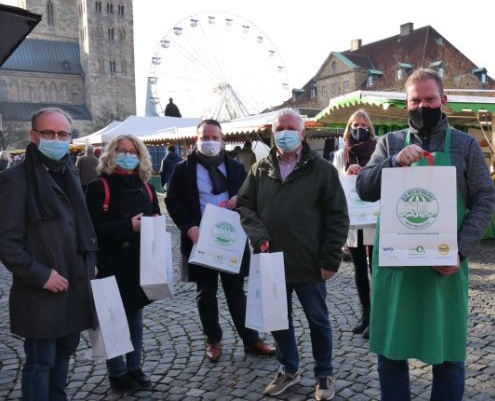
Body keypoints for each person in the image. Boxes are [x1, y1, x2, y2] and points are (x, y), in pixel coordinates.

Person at [356, 68, 495, 401]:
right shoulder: (389, 143)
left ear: (443, 100)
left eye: (429, 99)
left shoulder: (465, 146)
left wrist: (459, 251)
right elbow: (364, 187)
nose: (423, 106)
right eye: (415, 100)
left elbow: (485, 199)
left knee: (447, 354)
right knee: (391, 353)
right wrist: (392, 163)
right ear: (406, 104)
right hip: (396, 268)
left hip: (443, 268)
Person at [237, 108, 349, 400]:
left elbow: (338, 216)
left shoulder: (323, 170)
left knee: (318, 320)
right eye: (279, 128)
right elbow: (245, 205)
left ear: (302, 133)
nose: (284, 133)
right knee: (277, 319)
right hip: (271, 261)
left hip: (310, 262)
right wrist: (258, 235)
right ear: (272, 133)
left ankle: (324, 374)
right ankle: (289, 369)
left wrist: (330, 259)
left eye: (290, 128)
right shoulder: (260, 168)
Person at [0, 107, 98, 401]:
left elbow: (83, 223)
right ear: (34, 136)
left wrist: (91, 261)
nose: (57, 139)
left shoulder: (70, 171)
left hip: (75, 283)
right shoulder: (14, 179)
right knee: (40, 361)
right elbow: (7, 242)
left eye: (63, 134)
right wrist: (42, 275)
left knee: (65, 354)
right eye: (49, 133)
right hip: (42, 289)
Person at [165, 119, 275, 363]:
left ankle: (251, 339)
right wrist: (189, 227)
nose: (210, 141)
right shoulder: (183, 169)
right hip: (200, 240)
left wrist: (240, 198)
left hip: (230, 238)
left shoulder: (235, 168)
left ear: (223, 140)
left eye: (215, 137)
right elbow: (173, 201)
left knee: (236, 292)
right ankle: (213, 339)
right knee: (206, 293)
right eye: (205, 136)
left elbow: (251, 195)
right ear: (197, 139)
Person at [85, 135, 160, 393]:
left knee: (135, 318)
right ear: (111, 154)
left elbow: (156, 219)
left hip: (139, 264)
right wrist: (129, 226)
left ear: (140, 156)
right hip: (111, 264)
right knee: (113, 318)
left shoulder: (145, 187)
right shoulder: (99, 187)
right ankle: (117, 372)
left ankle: (134, 366)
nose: (127, 155)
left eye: (132, 151)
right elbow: (93, 229)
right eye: (122, 151)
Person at [332, 109, 377, 339]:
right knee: (359, 268)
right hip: (354, 219)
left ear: (369, 128)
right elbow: (335, 184)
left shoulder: (377, 150)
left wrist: (366, 172)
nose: (360, 128)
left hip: (373, 218)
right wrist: (347, 173)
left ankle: (377, 317)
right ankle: (365, 314)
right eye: (355, 125)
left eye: (364, 125)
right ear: (349, 128)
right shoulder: (341, 154)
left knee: (374, 268)